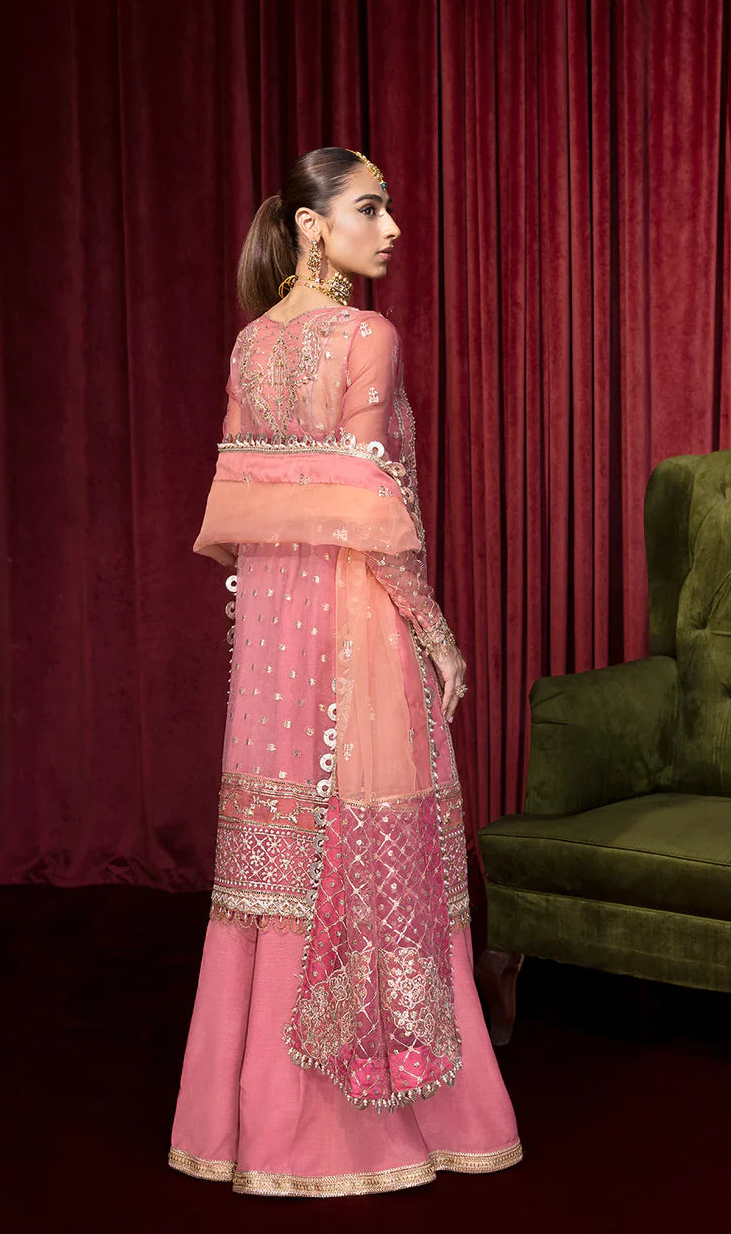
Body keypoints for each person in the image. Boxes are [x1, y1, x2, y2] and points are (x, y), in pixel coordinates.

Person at [168, 147, 522, 1198]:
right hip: (358, 620)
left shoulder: (251, 344)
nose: (392, 228)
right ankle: (382, 1117)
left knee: (284, 852)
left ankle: (249, 1123)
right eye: (370, 208)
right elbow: (375, 508)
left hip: (273, 631)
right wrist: (437, 634)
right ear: (311, 226)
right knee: (372, 833)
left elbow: (241, 503)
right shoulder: (367, 335)